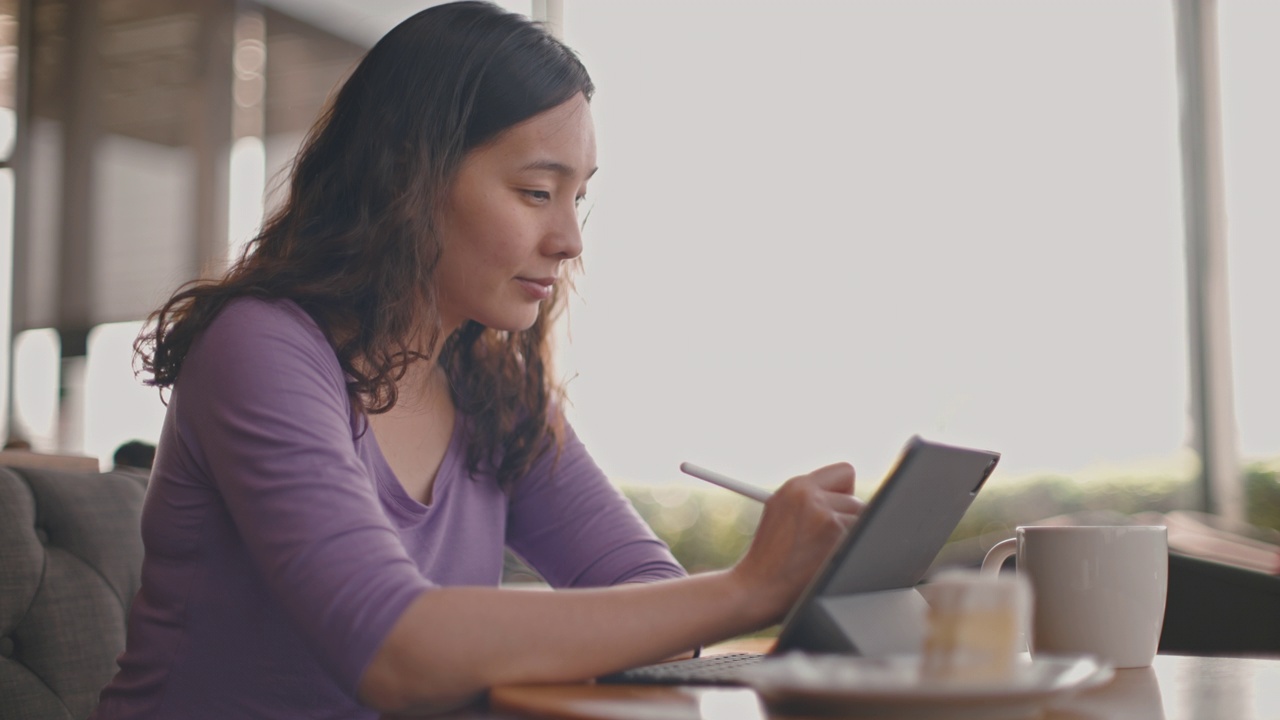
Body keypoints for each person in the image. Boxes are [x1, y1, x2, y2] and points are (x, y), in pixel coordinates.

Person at [92, 3, 861, 718]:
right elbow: (394, 647)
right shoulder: (260, 348)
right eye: (535, 192)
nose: (570, 239)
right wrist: (748, 587)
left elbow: (646, 590)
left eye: (578, 198)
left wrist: (721, 598)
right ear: (408, 181)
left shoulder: (494, 391)